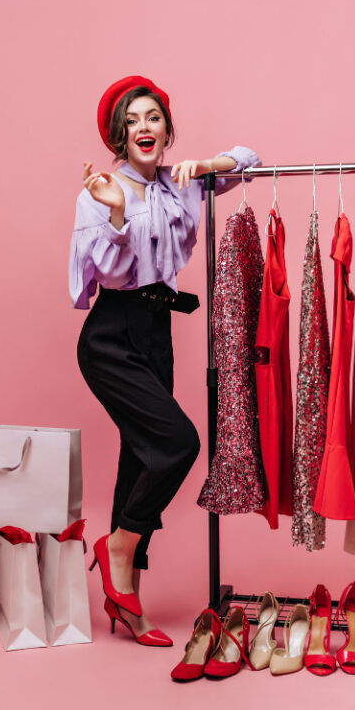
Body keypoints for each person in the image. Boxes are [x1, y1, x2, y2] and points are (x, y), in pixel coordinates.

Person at [69, 74, 261, 644]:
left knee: (142, 455)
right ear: (118, 136)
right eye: (132, 122)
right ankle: (119, 548)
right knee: (178, 444)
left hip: (157, 331)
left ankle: (125, 601)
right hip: (110, 335)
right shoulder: (101, 189)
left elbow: (250, 160)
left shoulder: (184, 184)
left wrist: (206, 165)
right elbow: (97, 272)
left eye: (152, 118)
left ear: (167, 129)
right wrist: (119, 215)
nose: (144, 128)